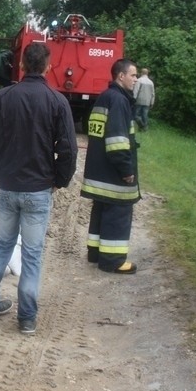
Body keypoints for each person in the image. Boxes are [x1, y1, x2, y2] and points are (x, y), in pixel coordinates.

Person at [0, 42, 78, 335]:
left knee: (3, 246)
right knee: (32, 254)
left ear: (21, 65)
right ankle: (27, 318)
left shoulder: (3, 97)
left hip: (8, 186)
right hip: (38, 190)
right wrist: (59, 180)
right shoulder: (57, 101)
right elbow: (69, 149)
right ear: (48, 66)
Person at [81, 58, 141, 274]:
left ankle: (96, 253)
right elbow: (117, 141)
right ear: (121, 76)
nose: (136, 79)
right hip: (113, 173)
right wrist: (126, 170)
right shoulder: (119, 101)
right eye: (133, 75)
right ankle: (113, 260)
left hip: (100, 170)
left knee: (102, 208)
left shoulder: (105, 97)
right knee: (118, 211)